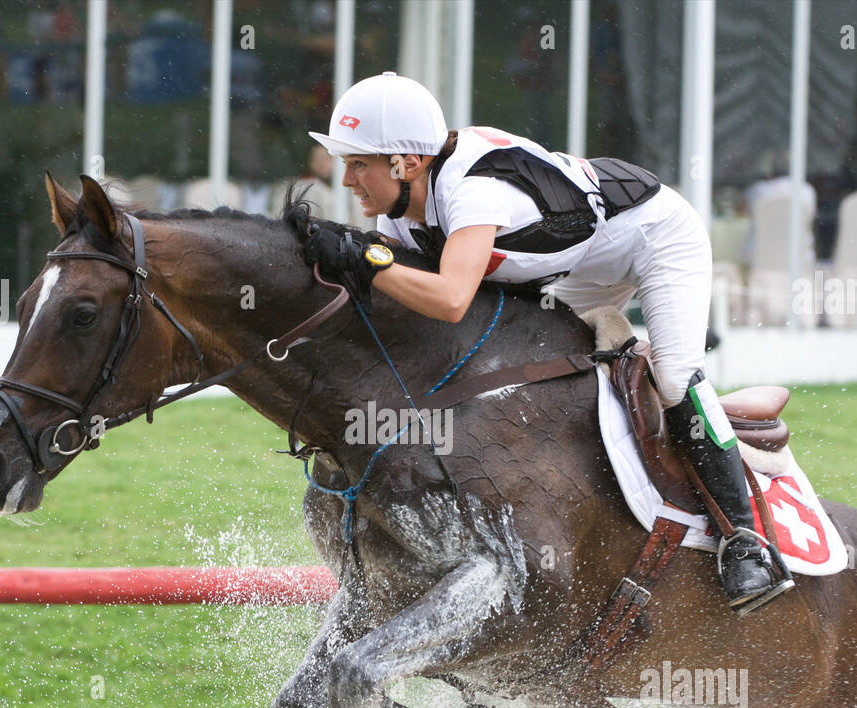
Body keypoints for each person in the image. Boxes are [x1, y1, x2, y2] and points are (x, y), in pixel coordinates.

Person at [303, 73, 793, 614]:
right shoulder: (402, 214)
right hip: (575, 267)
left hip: (654, 240)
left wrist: (367, 259)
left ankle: (745, 540)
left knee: (674, 377)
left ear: (407, 164)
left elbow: (448, 301)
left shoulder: (473, 191)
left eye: (358, 164)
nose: (346, 180)